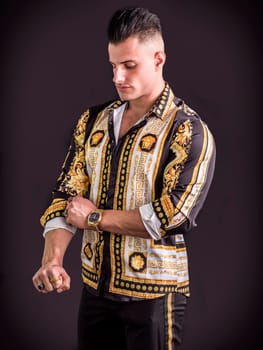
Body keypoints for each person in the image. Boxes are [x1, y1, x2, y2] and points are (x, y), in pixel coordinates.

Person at [32, 7, 216, 350]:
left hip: (156, 297)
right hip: (95, 291)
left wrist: (94, 218)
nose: (118, 76)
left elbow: (173, 215)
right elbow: (65, 195)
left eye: (129, 65)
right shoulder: (93, 122)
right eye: (113, 65)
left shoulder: (187, 130)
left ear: (158, 58)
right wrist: (52, 260)